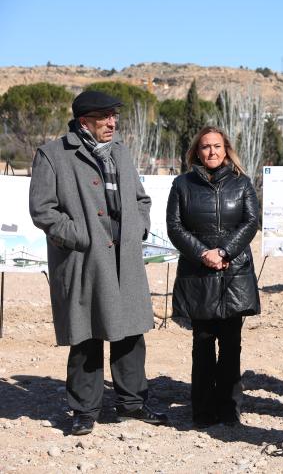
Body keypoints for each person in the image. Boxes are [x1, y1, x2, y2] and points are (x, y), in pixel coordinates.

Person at [29, 90, 168, 436]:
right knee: (86, 334)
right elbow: (42, 210)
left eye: (114, 116)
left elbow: (141, 198)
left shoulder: (120, 151)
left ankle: (133, 403)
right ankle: (84, 410)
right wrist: (80, 237)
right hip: (84, 259)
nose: (112, 123)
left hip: (125, 259)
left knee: (131, 333)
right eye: (105, 117)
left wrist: (139, 227)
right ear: (83, 122)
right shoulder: (52, 155)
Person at [166, 126, 260, 428]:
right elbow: (175, 227)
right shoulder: (182, 184)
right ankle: (203, 412)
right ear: (197, 151)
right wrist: (203, 253)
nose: (211, 152)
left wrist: (224, 252)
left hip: (234, 274)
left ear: (226, 149)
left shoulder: (242, 183)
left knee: (232, 345)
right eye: (205, 147)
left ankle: (230, 410)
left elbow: (250, 222)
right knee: (203, 344)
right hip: (198, 274)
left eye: (217, 146)